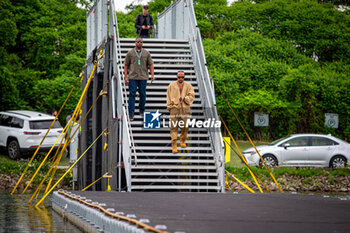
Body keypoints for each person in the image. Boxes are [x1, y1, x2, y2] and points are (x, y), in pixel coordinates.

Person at [124, 37, 154, 121]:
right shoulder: (130, 53)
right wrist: (126, 76)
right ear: (135, 42)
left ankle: (141, 110)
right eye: (138, 42)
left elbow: (151, 64)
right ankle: (131, 113)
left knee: (142, 94)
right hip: (133, 77)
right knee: (132, 94)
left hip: (143, 77)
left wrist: (152, 75)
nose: (139, 43)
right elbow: (126, 65)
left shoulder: (146, 53)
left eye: (141, 42)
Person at [166, 71, 194, 153]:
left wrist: (185, 98)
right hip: (174, 107)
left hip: (185, 107)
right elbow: (168, 96)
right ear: (176, 77)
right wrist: (169, 106)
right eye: (179, 77)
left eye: (182, 77)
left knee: (185, 126)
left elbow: (192, 96)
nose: (181, 79)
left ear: (184, 77)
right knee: (173, 127)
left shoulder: (188, 86)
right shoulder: (171, 85)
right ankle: (174, 145)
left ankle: (182, 140)